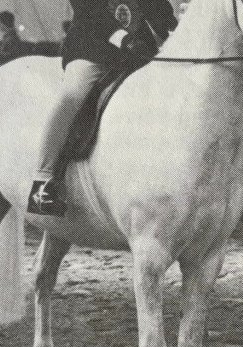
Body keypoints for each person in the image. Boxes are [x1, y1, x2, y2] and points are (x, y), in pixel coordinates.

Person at [27, 0, 178, 216]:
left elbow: (159, 10)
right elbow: (89, 10)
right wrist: (123, 38)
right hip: (93, 47)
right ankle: (42, 184)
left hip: (139, 52)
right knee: (73, 94)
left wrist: (172, 33)